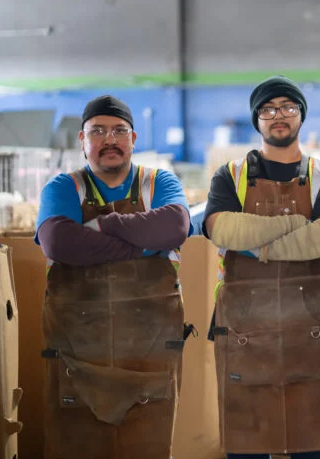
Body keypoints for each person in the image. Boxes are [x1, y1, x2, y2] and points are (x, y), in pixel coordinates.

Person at [203, 75, 320, 459]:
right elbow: (221, 228)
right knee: (245, 443)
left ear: (301, 116)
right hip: (244, 331)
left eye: (288, 107)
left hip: (312, 331)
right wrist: (298, 226)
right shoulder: (230, 176)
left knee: (310, 443)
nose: (278, 116)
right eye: (268, 109)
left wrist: (259, 244)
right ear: (257, 120)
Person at [35, 95, 193, 459]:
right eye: (98, 131)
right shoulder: (63, 187)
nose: (110, 140)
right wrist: (141, 245)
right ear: (82, 140)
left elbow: (175, 226)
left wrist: (105, 224)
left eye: (119, 130)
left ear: (134, 139)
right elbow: (58, 241)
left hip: (149, 361)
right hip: (77, 362)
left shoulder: (158, 182)